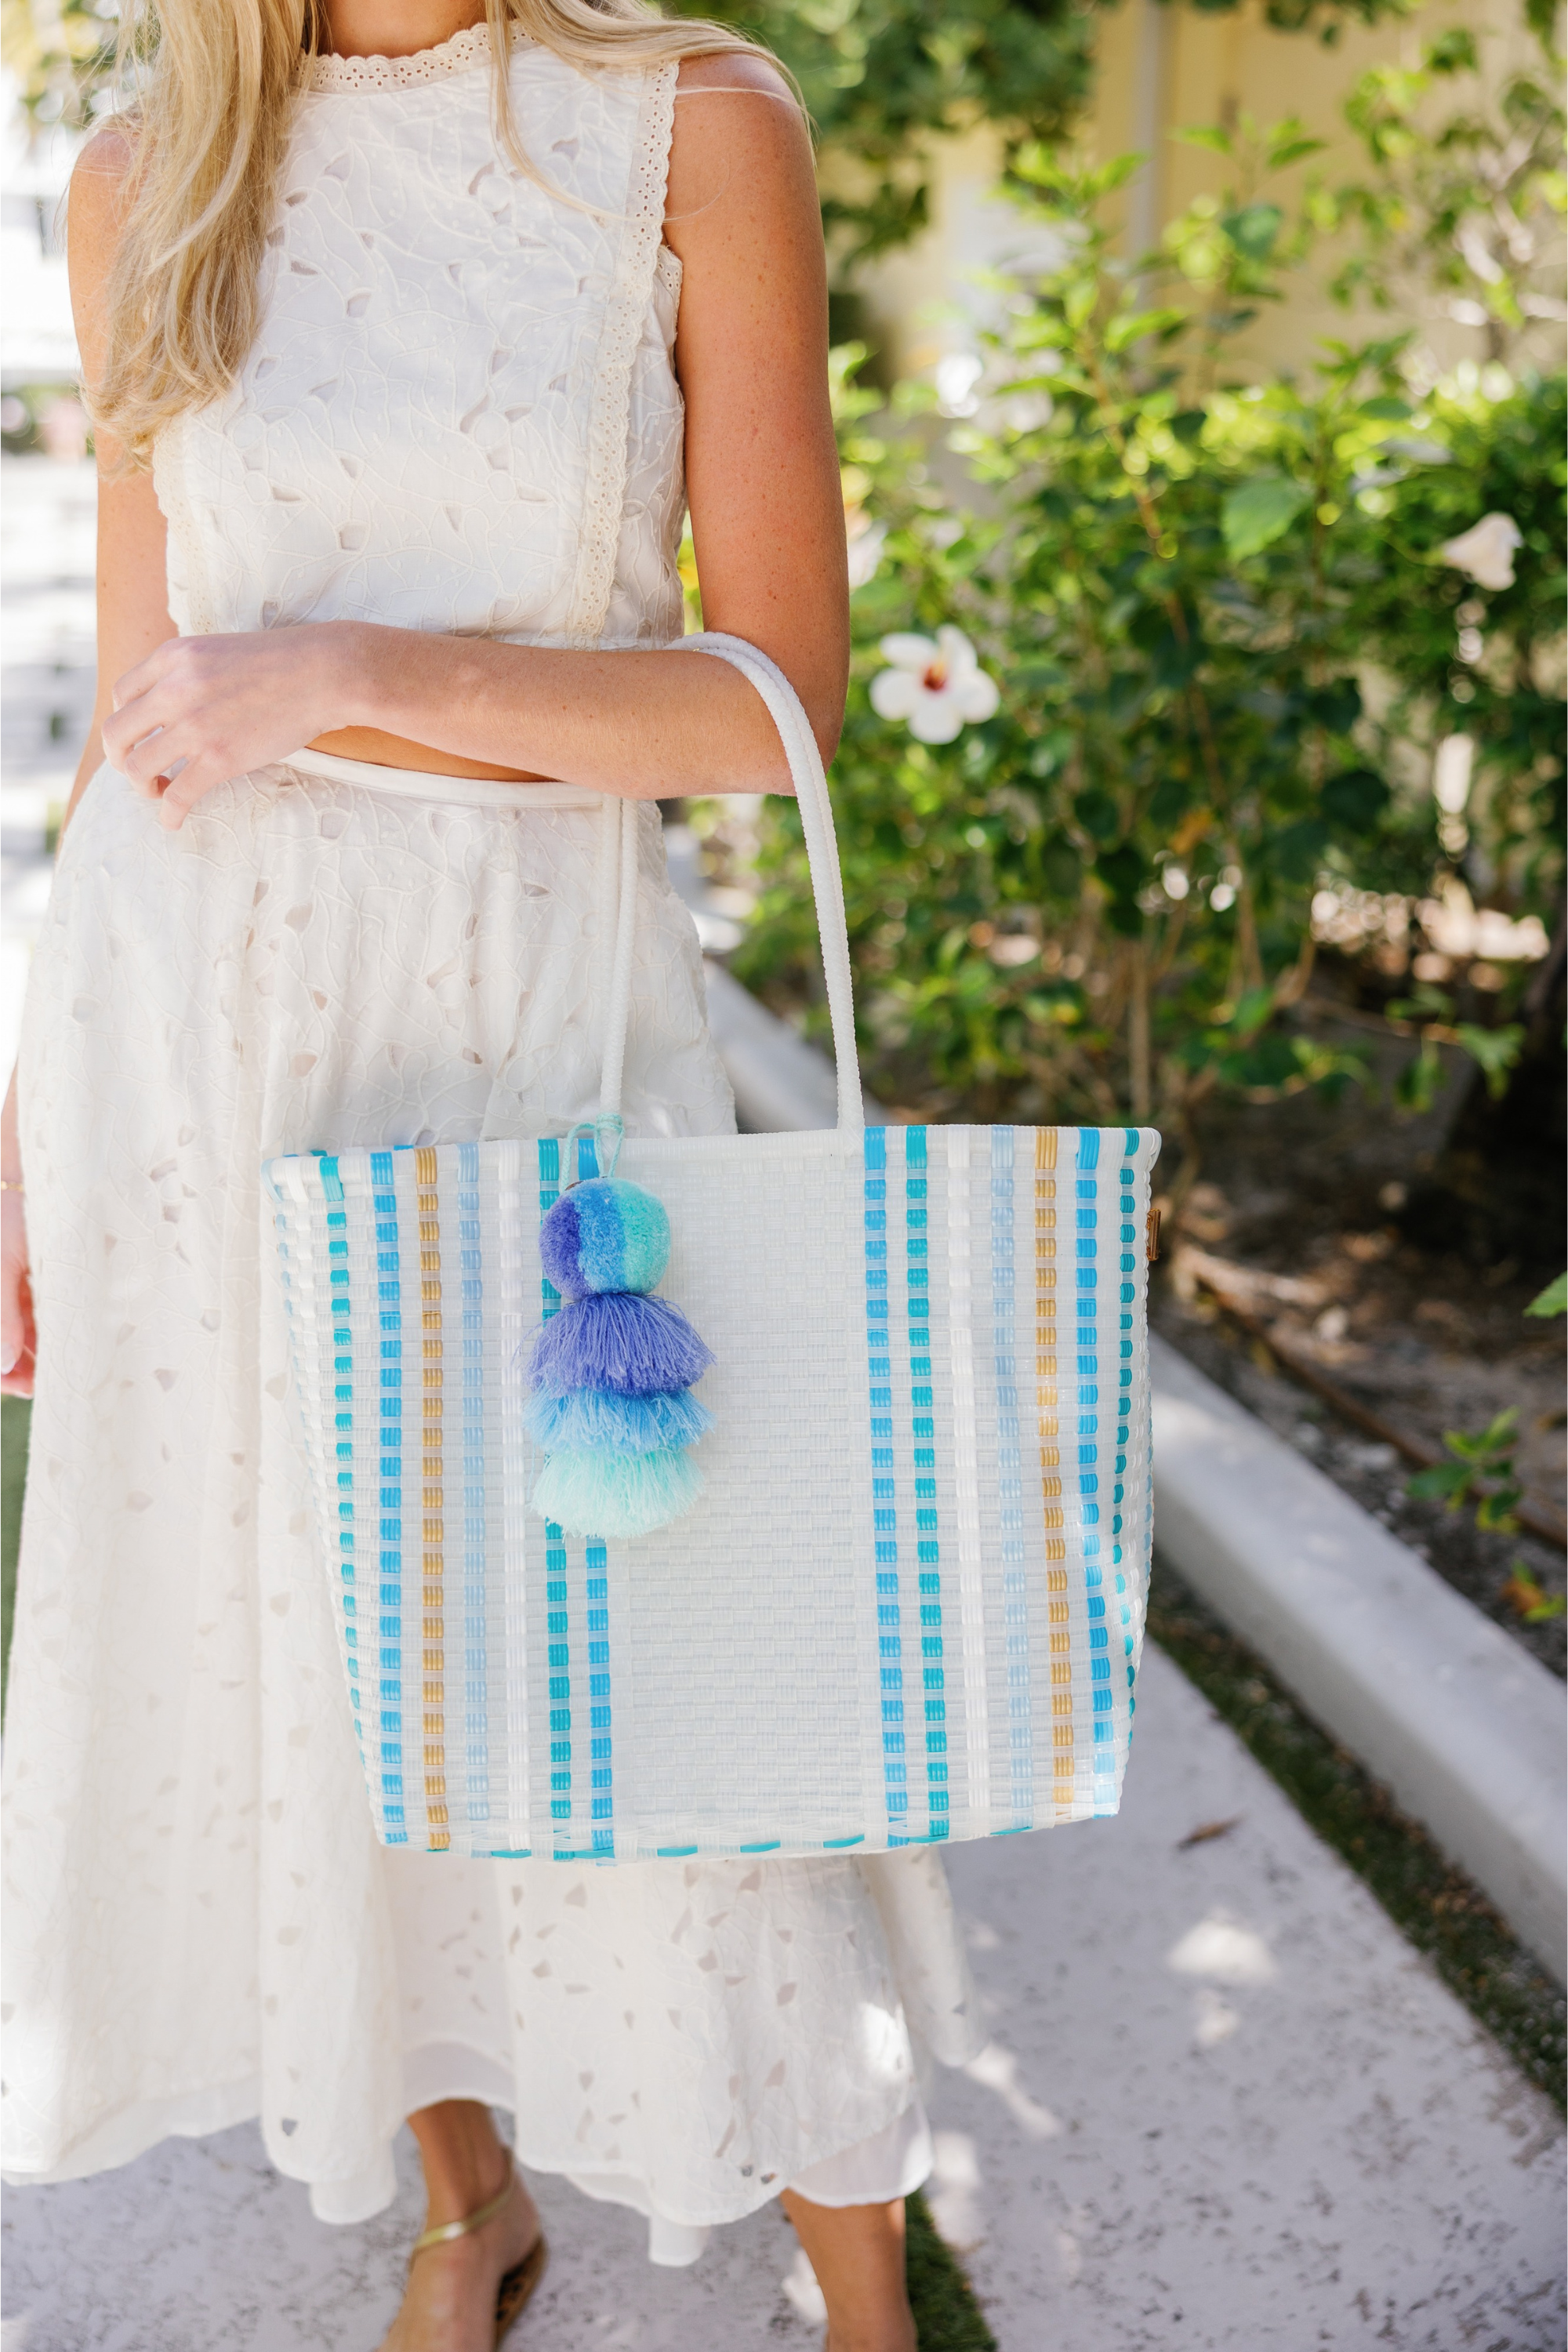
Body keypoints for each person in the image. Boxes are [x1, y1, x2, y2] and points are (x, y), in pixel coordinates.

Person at [0, 4, 982, 2345]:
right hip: (195, 1053)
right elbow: (143, 728)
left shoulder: (696, 127)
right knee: (323, 1673)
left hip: (536, 1025)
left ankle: (863, 2283)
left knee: (667, 1673)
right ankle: (471, 2204)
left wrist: (351, 669)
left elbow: (774, 705)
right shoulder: (140, 175)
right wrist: (19, 1115)